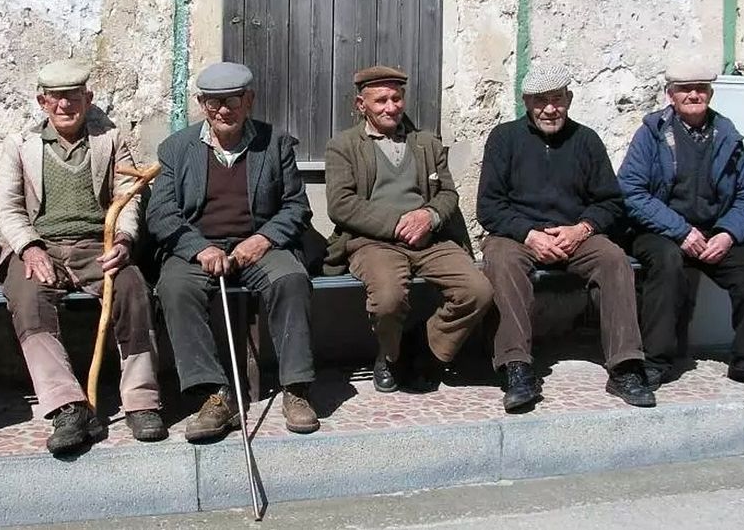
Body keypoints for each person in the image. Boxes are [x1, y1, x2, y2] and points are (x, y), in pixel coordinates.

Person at [0, 59, 166, 454]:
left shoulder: (110, 139)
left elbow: (128, 196)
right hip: (41, 246)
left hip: (95, 245)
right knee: (28, 298)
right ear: (42, 102)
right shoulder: (20, 144)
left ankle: (141, 401)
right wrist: (29, 247)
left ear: (87, 98)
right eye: (55, 98)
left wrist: (123, 239)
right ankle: (67, 408)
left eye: (73, 97)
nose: (64, 105)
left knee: (132, 289)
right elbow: (9, 207)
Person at [147, 62, 319, 439]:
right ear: (202, 104)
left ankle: (296, 389)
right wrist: (198, 248)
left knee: (291, 279)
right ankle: (214, 395)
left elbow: (296, 206)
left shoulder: (275, 143)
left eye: (232, 101)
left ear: (249, 100)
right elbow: (160, 213)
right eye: (213, 102)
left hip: (258, 244)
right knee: (175, 288)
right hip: (198, 246)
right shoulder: (177, 148)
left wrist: (263, 239)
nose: (223, 110)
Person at [477, 63, 655, 412]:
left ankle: (625, 366)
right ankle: (516, 366)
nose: (550, 109)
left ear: (569, 99)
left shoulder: (586, 140)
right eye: (540, 101)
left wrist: (582, 229)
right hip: (518, 235)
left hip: (575, 234)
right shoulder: (504, 138)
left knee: (613, 259)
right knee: (501, 260)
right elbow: (489, 206)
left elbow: (610, 202)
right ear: (527, 103)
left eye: (557, 99)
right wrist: (528, 235)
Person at [324, 65, 493, 393]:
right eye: (381, 100)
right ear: (361, 105)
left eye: (396, 98)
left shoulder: (426, 143)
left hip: (429, 239)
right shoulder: (343, 146)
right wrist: (398, 225)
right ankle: (390, 354)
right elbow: (341, 205)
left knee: (478, 291)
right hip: (373, 242)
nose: (391, 107)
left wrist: (429, 216)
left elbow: (448, 194)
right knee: (388, 299)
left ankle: (425, 348)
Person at [618, 60, 744, 394]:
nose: (693, 95)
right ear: (670, 95)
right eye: (685, 89)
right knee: (667, 262)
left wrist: (728, 233)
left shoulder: (726, 134)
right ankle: (656, 361)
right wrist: (680, 231)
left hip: (713, 232)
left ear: (710, 93)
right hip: (660, 230)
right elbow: (631, 192)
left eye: (701, 88)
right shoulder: (652, 133)